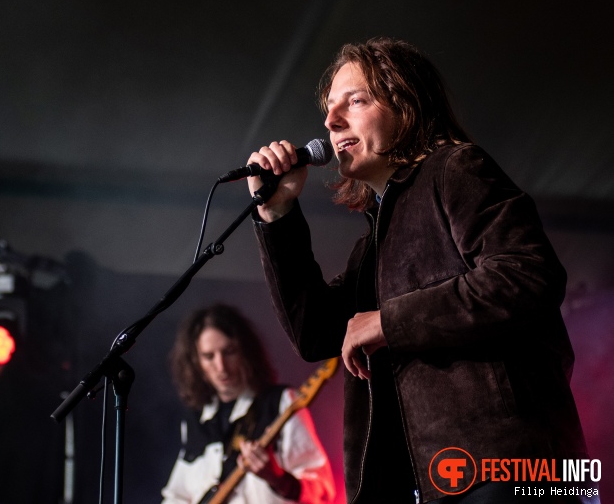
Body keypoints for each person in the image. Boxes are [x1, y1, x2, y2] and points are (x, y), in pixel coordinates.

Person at [245, 37, 592, 503]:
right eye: (330, 109)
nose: (330, 121)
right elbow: (316, 333)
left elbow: (527, 275)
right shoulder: (373, 241)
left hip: (507, 468)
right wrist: (278, 213)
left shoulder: (456, 168)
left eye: (356, 100)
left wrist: (390, 321)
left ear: (405, 106)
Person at [161, 303, 336, 504]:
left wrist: (277, 478)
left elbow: (323, 492)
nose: (221, 367)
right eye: (209, 356)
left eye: (229, 352)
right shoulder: (195, 421)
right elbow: (176, 496)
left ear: (245, 351)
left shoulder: (281, 403)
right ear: (195, 362)